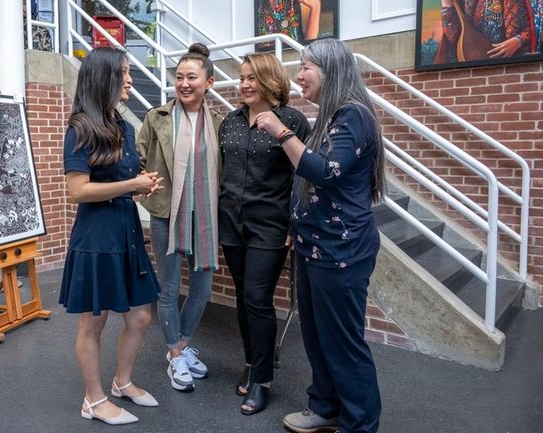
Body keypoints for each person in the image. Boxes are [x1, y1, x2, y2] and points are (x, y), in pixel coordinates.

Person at [255, 38, 385, 433]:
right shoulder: (329, 117)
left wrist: (281, 132)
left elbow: (325, 171)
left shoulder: (353, 115)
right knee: (316, 336)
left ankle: (359, 423)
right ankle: (325, 406)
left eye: (305, 67)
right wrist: (297, 227)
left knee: (343, 342)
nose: (299, 76)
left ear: (330, 70)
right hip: (314, 246)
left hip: (341, 250)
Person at [59, 47, 164, 426]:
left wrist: (141, 185)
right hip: (96, 238)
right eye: (124, 72)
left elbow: (122, 181)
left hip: (127, 232)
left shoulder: (124, 128)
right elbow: (79, 192)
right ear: (104, 77)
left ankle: (122, 382)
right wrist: (130, 184)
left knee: (140, 316)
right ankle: (93, 399)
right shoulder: (80, 128)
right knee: (94, 322)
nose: (131, 80)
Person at [219, 52, 311, 415]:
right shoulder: (229, 121)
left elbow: (301, 176)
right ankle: (252, 361)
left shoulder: (292, 121)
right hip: (231, 222)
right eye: (242, 77)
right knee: (244, 297)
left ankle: (263, 379)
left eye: (252, 78)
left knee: (258, 297)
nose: (244, 84)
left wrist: (292, 222)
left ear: (271, 80)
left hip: (270, 224)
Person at [136, 43, 223, 393]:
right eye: (179, 77)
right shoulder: (155, 118)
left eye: (192, 77)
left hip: (205, 218)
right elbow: (137, 160)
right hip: (165, 216)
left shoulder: (218, 123)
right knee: (169, 288)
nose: (184, 83)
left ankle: (182, 345)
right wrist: (144, 191)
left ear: (209, 82)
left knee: (202, 288)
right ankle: (175, 352)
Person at [434, 0, 536, 63]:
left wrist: (518, 40)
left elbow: (530, 28)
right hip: (477, 62)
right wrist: (447, 6)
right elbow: (457, 39)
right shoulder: (467, 3)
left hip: (509, 65)